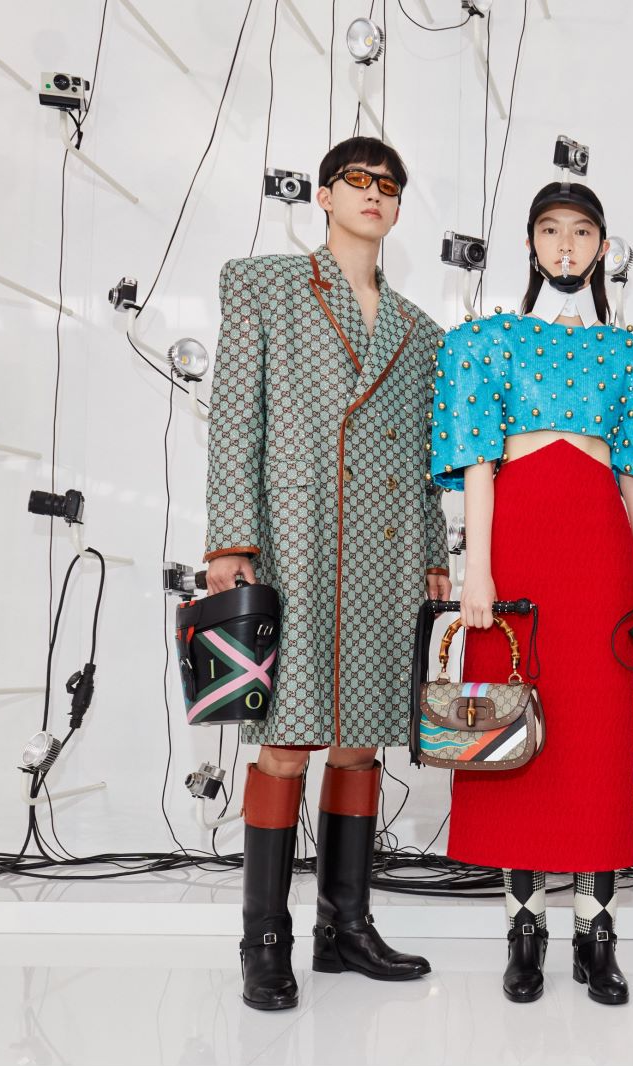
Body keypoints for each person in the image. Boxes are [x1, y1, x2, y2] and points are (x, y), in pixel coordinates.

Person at [204, 136, 450, 1011]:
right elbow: (234, 418)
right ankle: (264, 940)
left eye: (389, 185)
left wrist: (434, 551)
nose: (374, 194)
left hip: (387, 548)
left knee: (362, 739)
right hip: (294, 536)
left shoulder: (420, 330)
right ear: (324, 195)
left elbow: (425, 461)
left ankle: (345, 928)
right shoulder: (265, 285)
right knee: (285, 740)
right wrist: (231, 541)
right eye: (358, 180)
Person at [431, 181, 633, 1006]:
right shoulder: (485, 342)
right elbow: (478, 463)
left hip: (599, 555)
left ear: (603, 246)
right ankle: (524, 928)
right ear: (530, 243)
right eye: (550, 230)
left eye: (581, 231)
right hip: (517, 550)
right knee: (512, 736)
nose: (566, 245)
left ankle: (595, 931)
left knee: (599, 741)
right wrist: (477, 569)